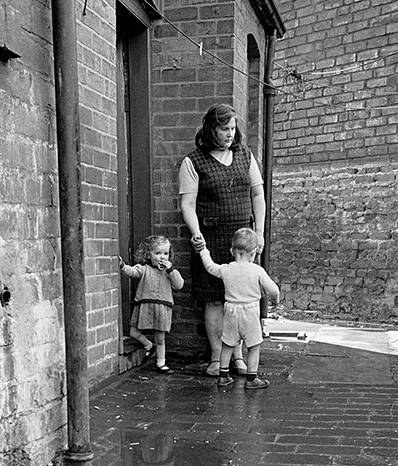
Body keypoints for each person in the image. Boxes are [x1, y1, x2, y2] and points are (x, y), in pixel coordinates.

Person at [179, 103, 266, 377]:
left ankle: (238, 356)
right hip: (211, 239)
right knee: (214, 300)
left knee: (241, 301)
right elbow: (188, 204)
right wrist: (196, 234)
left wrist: (259, 233)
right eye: (223, 128)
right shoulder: (193, 162)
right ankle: (218, 358)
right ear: (211, 129)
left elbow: (257, 196)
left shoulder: (245, 156)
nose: (230, 134)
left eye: (232, 128)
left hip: (242, 241)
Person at [199, 228, 280, 390]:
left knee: (227, 344)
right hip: (249, 312)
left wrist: (203, 250)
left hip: (230, 311)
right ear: (254, 252)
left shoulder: (226, 269)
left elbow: (209, 266)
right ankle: (251, 378)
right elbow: (273, 290)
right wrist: (275, 301)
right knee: (253, 345)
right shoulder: (257, 270)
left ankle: (223, 376)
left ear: (231, 251)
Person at [119, 234, 184, 374]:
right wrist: (122, 266)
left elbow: (179, 285)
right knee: (134, 332)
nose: (162, 257)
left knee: (160, 338)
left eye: (166, 253)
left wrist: (171, 269)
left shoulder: (170, 272)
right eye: (158, 253)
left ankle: (161, 363)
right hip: (145, 305)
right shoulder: (144, 269)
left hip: (162, 307)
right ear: (149, 255)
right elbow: (132, 272)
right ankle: (149, 346)